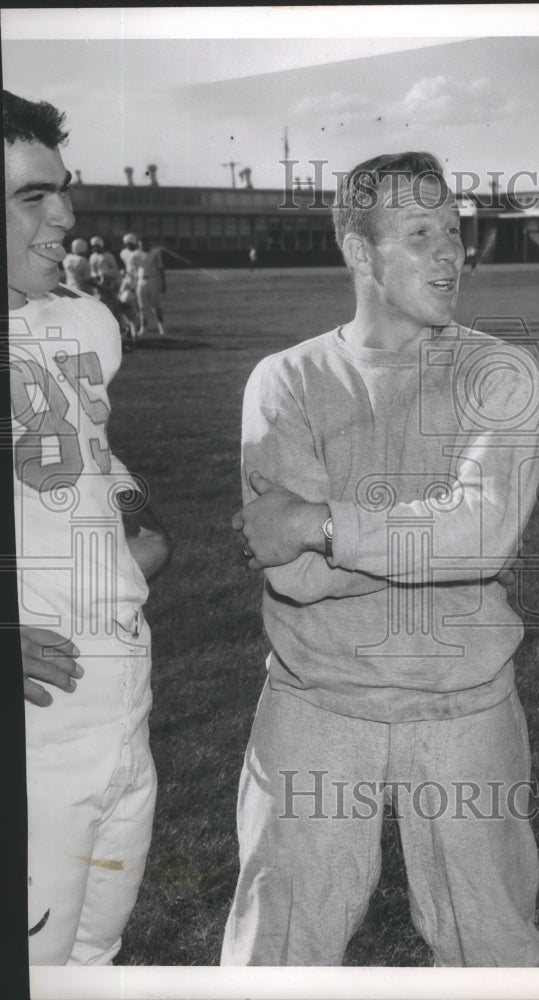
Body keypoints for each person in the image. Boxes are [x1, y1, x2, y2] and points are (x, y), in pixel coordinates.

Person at [223, 151, 539, 967]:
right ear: (359, 251)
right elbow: (294, 571)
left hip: (464, 702)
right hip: (316, 702)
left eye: (454, 231)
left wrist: (321, 521)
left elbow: (482, 534)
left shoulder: (500, 371)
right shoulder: (287, 380)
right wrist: (426, 533)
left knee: (498, 954)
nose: (451, 253)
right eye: (419, 234)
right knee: (279, 951)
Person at [4, 89, 171, 965]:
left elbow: (93, 452)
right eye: (32, 196)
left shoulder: (83, 321)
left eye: (61, 189)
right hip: (34, 730)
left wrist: (139, 516)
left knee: (94, 959)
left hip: (121, 705)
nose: (65, 214)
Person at [135, 236, 167, 336]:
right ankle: (143, 328)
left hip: (153, 279)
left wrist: (163, 283)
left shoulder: (155, 253)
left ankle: (161, 327)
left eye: (146, 243)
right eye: (141, 243)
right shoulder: (136, 254)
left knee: (155, 305)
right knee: (142, 306)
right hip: (141, 281)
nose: (143, 245)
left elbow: (161, 268)